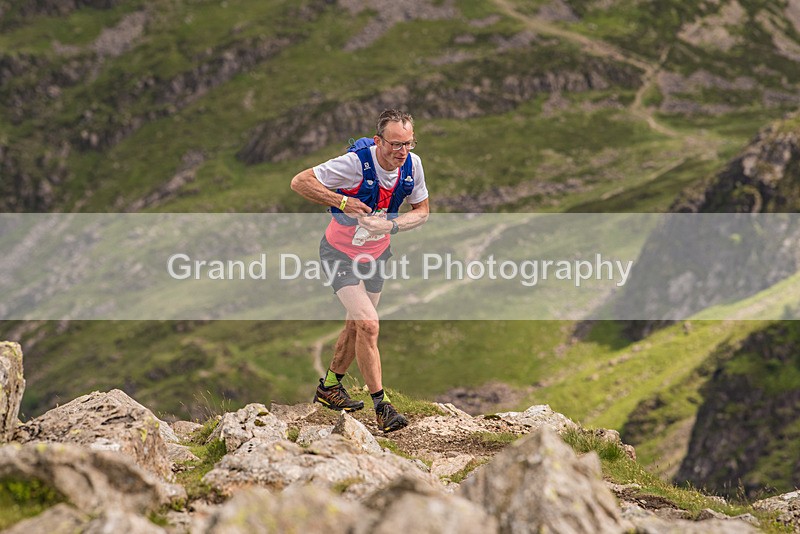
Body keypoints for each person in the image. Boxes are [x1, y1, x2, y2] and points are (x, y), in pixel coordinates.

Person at [290, 109, 430, 432]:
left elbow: (422, 211)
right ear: (378, 141)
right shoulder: (354, 165)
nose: (402, 152)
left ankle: (329, 387)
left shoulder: (413, 165)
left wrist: (391, 225)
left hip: (376, 255)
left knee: (357, 325)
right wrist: (342, 202)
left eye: (408, 143)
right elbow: (300, 182)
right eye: (395, 144)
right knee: (368, 324)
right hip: (339, 254)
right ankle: (382, 406)